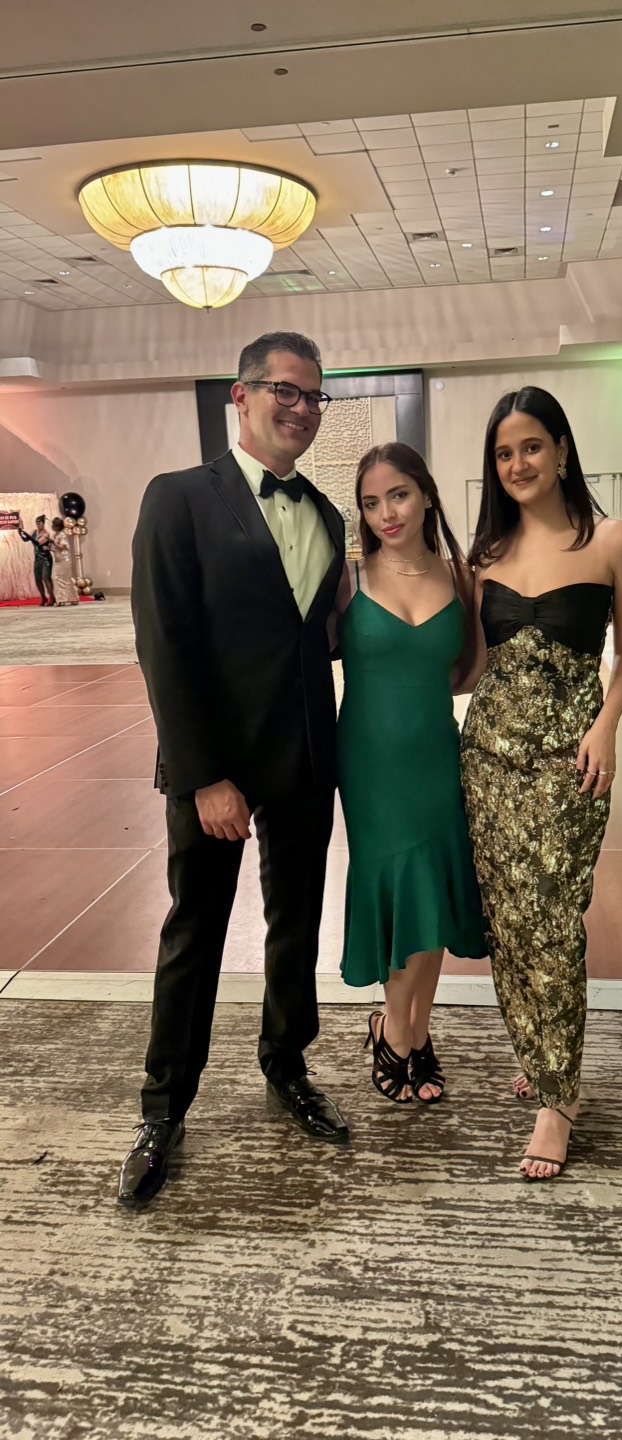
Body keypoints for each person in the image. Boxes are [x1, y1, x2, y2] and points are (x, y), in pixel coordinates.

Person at [121, 331, 348, 1207]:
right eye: (283, 390)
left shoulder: (327, 516)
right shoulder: (178, 499)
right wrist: (204, 774)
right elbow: (164, 646)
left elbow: (315, 642)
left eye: (312, 395)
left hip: (302, 758)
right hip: (215, 766)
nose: (299, 407)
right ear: (241, 398)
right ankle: (162, 1108)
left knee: (296, 927)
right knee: (196, 933)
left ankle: (286, 1066)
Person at [460, 387, 622, 1182]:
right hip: (490, 759)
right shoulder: (486, 559)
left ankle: (557, 1098)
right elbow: (471, 667)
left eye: (531, 446)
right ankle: (540, 1053)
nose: (518, 464)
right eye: (504, 454)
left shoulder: (612, 541)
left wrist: (605, 725)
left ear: (563, 450)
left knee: (554, 920)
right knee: (508, 922)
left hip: (569, 762)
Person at [336, 442, 487, 1104]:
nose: (385, 513)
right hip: (369, 763)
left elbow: (469, 669)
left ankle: (410, 1032)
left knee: (434, 892)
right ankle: (397, 1033)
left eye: (397, 495)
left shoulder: (463, 576)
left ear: (425, 493)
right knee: (401, 889)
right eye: (371, 503)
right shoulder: (347, 576)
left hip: (434, 753)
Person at [17, 516, 55, 605]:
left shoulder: (46, 534)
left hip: (46, 558)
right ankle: (43, 598)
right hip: (37, 558)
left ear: (43, 523)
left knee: (46, 578)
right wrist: (20, 531)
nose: (38, 525)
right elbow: (25, 539)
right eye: (37, 523)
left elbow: (38, 543)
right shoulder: (34, 532)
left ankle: (52, 598)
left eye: (40, 523)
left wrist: (25, 533)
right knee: (37, 579)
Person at [50, 516, 78, 605]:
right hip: (58, 560)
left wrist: (53, 542)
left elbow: (62, 547)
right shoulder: (56, 535)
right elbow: (56, 548)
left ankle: (72, 598)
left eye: (53, 525)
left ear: (57, 526)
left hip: (64, 560)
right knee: (56, 578)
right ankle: (61, 598)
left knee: (66, 579)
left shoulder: (62, 535)